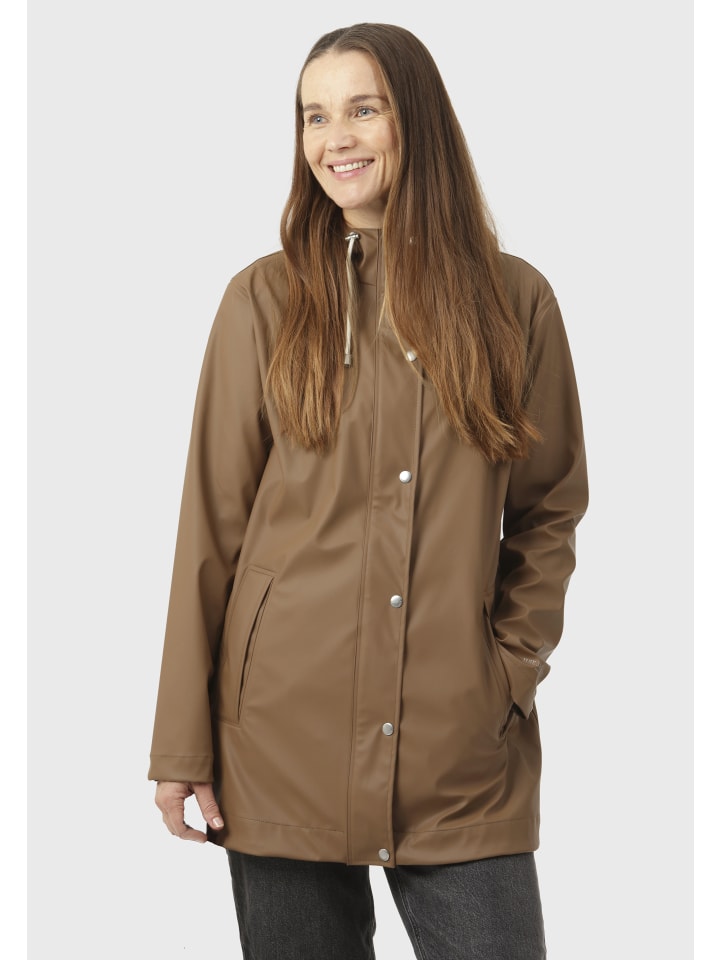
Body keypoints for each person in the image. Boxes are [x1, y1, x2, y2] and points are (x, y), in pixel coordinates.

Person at [149, 21, 588, 960]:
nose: (334, 139)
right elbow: (210, 530)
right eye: (313, 116)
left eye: (362, 109)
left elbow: (549, 508)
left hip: (457, 753)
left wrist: (504, 674)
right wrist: (182, 744)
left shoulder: (515, 302)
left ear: (414, 121)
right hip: (278, 742)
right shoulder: (263, 301)